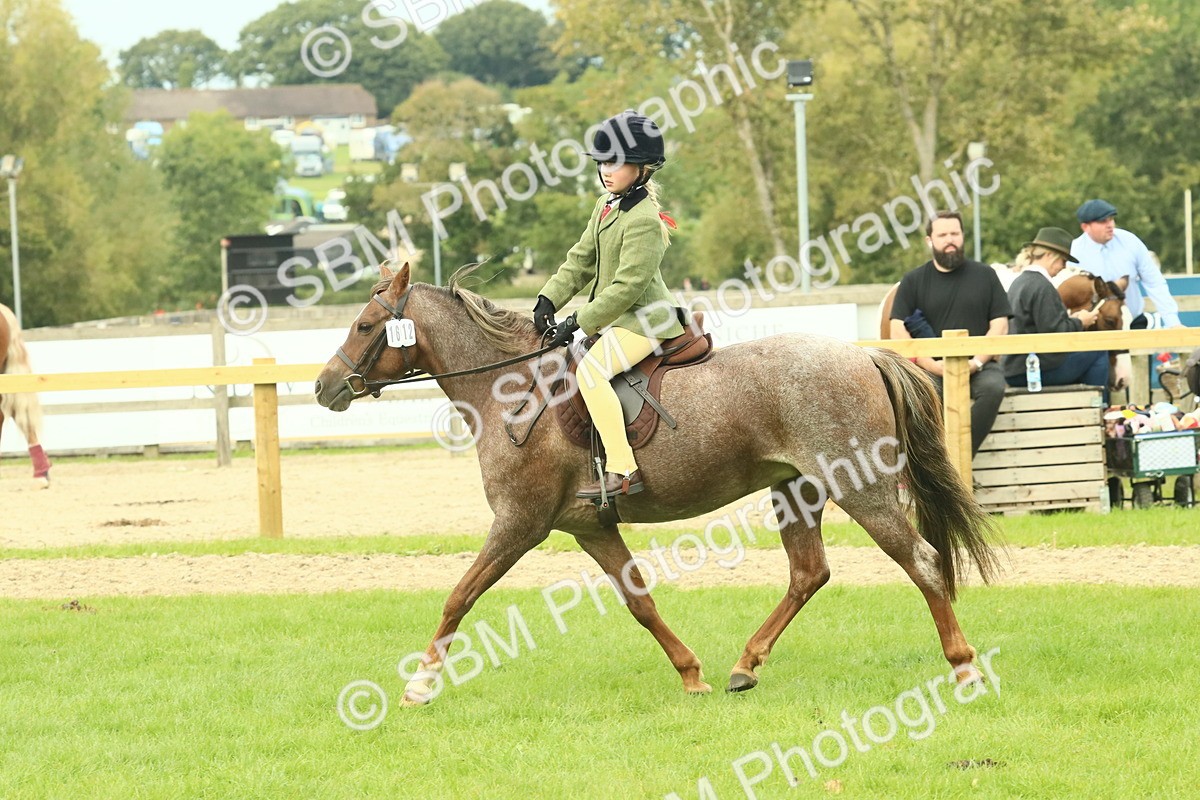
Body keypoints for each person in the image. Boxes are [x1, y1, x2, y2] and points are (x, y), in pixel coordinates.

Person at [531, 110, 682, 499]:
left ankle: (622, 468)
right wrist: (549, 297)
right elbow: (581, 259)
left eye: (615, 162)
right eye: (602, 162)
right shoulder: (605, 205)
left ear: (642, 168)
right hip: (619, 320)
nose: (605, 170)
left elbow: (627, 287)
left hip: (645, 321)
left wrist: (578, 321)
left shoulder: (645, 219)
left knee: (591, 373)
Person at [889, 210, 1011, 456]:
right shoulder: (912, 281)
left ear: (963, 236)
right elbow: (896, 329)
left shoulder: (985, 275)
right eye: (942, 234)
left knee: (994, 389)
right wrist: (929, 363)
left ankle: (960, 458)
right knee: (925, 398)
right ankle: (936, 465)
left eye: (955, 233)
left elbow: (1000, 325)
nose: (950, 239)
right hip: (931, 370)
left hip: (980, 366)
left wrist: (976, 362)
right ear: (929, 240)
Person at [1002, 227, 1108, 394]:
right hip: (1032, 370)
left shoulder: (1019, 282)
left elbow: (1043, 324)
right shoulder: (1042, 286)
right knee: (1098, 352)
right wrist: (1081, 321)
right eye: (1063, 261)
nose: (1063, 267)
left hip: (1014, 367)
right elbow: (1055, 331)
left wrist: (1071, 319)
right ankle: (1096, 409)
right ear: (1050, 255)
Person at [1070, 199, 1184, 329]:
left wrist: (1173, 323)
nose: (1110, 225)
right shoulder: (1074, 252)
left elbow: (1154, 282)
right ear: (1085, 227)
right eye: (1103, 221)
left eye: (1111, 219)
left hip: (1133, 322)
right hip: (1094, 327)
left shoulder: (1131, 242)